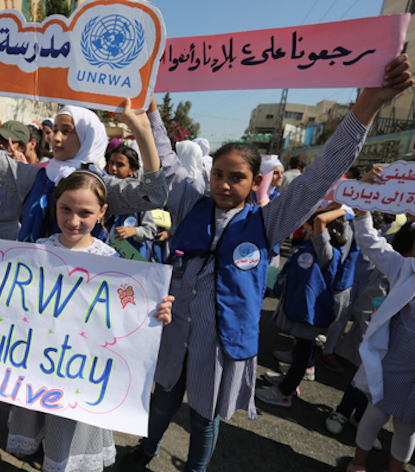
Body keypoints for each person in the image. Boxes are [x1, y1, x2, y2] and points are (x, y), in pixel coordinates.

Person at [120, 54, 413, 472]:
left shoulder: (267, 222)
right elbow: (164, 156)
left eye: (235, 177)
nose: (223, 183)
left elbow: (322, 173)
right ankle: (145, 452)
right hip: (174, 330)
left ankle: (196, 469)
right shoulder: (189, 202)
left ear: (254, 181)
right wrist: (149, 103)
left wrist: (368, 105)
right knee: (162, 400)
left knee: (204, 418)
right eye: (218, 174)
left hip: (219, 342)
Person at [0, 169, 174, 472]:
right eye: (66, 209)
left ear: (102, 213)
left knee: (66, 437)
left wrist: (155, 313)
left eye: (85, 212)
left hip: (79, 374)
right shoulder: (37, 252)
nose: (73, 221)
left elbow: (130, 317)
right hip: (37, 366)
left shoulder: (112, 263)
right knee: (38, 424)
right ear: (55, 205)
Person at [0, 74, 168, 245]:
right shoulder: (36, 176)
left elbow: (155, 194)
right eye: (55, 129)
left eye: (66, 131)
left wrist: (144, 134)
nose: (55, 137)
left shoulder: (100, 186)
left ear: (88, 137)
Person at [345, 168, 415, 472]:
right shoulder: (405, 269)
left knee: (407, 427)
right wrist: (363, 207)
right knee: (375, 413)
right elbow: (373, 245)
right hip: (394, 360)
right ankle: (358, 463)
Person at [255, 207, 347, 407]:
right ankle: (290, 380)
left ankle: (284, 393)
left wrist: (340, 204)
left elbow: (320, 220)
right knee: (299, 350)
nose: (306, 229)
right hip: (301, 309)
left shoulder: (325, 251)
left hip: (310, 313)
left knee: (302, 356)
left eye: (310, 227)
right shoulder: (312, 248)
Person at [105, 143, 157, 260]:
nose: (113, 168)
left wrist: (134, 231)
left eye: (120, 165)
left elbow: (150, 230)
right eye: (111, 163)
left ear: (132, 170)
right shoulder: (103, 190)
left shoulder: (139, 196)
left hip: (129, 257)